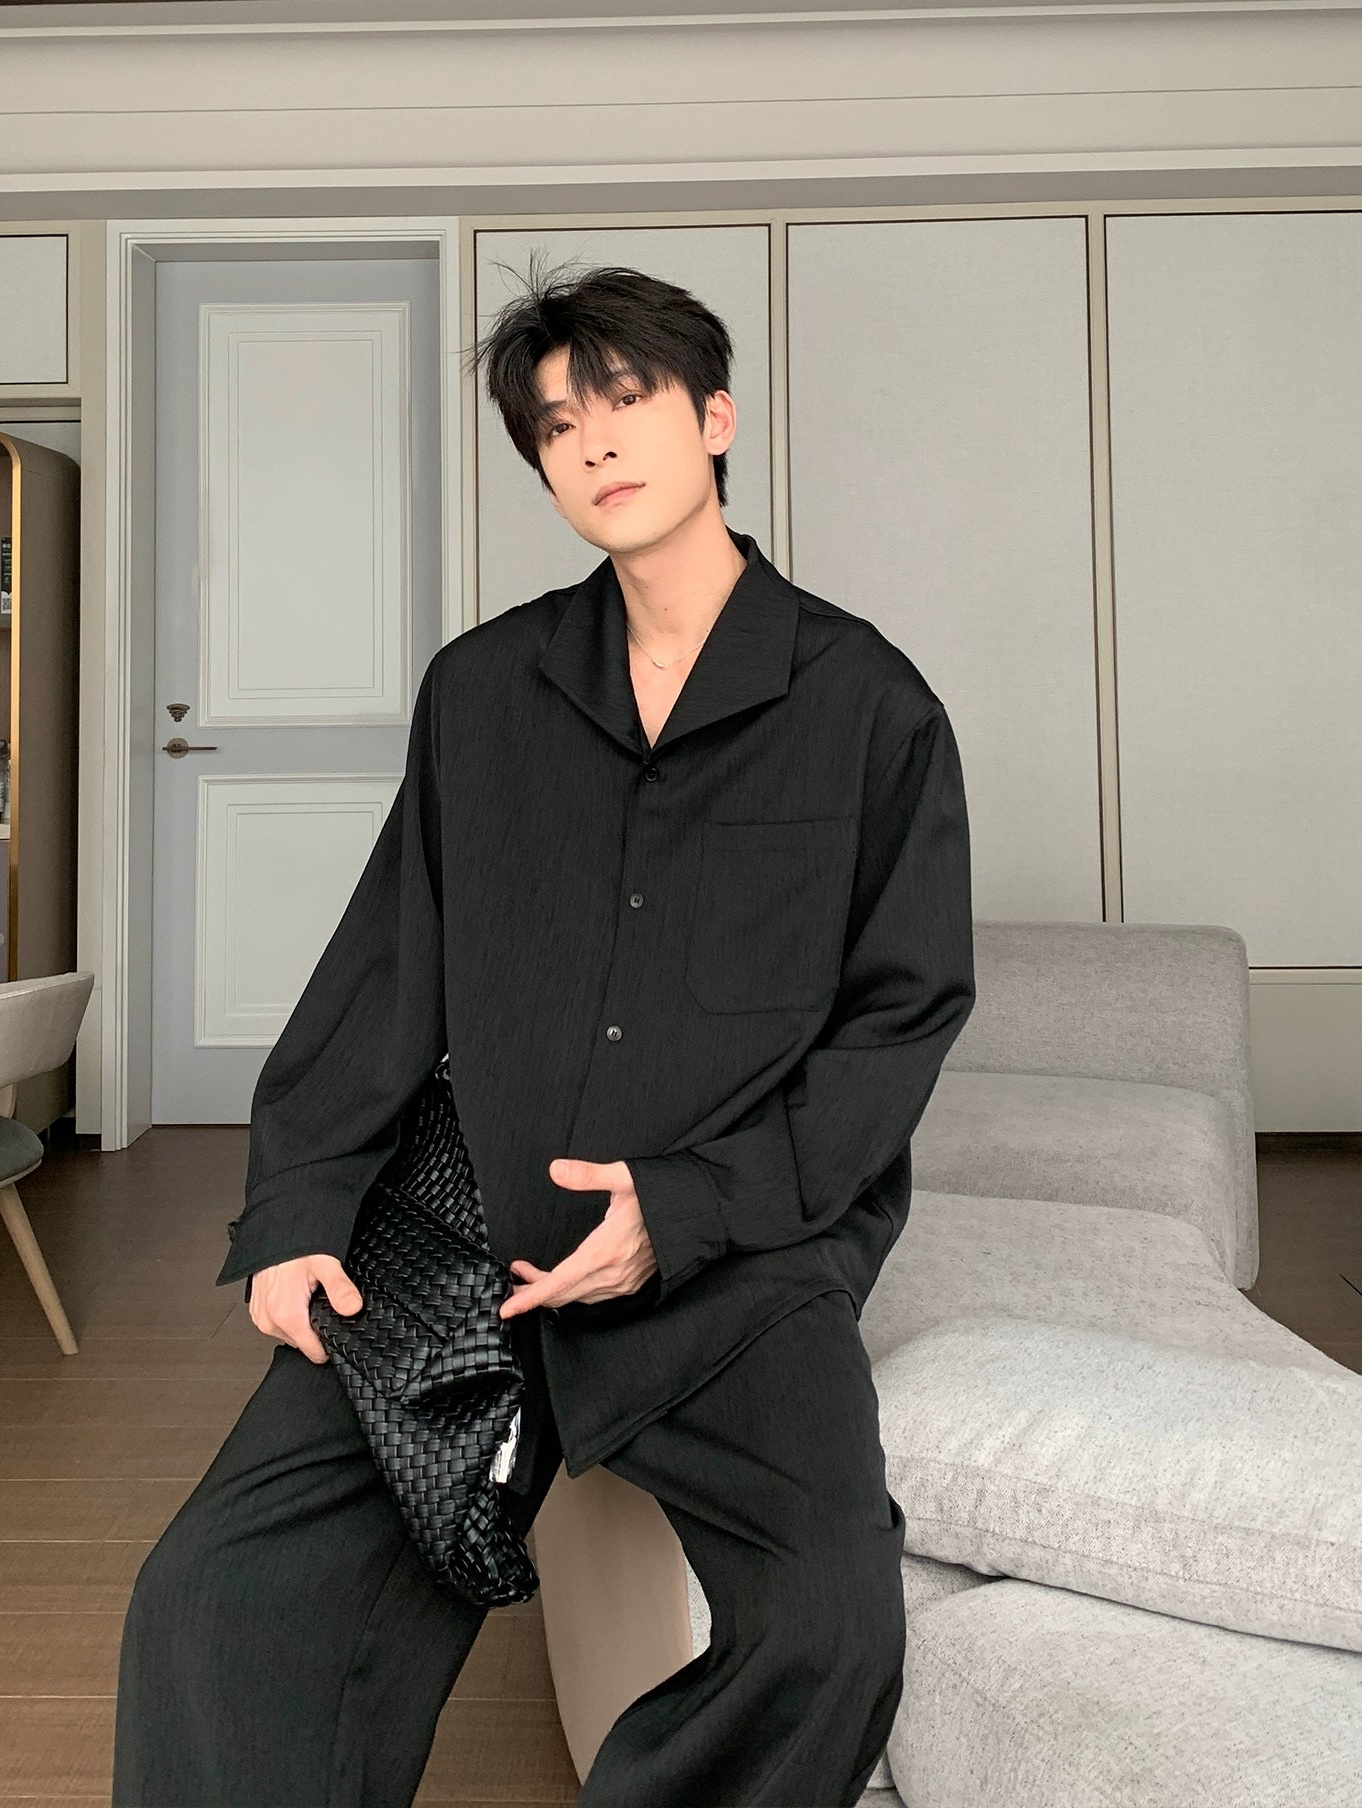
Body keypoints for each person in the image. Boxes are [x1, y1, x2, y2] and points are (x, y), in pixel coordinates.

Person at [111, 257, 976, 1807]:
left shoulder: (869, 704)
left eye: (626, 398)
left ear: (716, 419)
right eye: (556, 425)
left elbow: (902, 1012)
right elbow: (385, 972)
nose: (593, 442)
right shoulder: (484, 692)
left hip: (735, 1249)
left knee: (830, 1626)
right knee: (207, 1595)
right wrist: (299, 1214)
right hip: (466, 1228)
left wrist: (688, 1209)